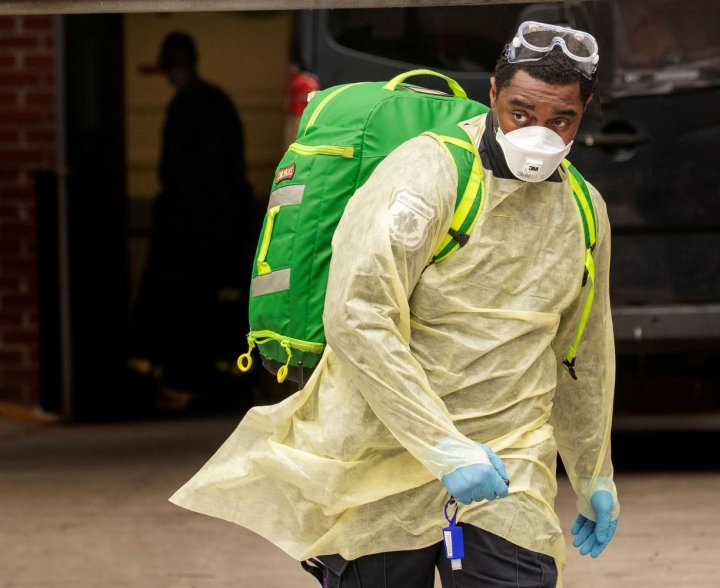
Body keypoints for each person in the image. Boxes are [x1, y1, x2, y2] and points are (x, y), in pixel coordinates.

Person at [170, 21, 619, 587]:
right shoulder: (426, 174)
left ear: (584, 115)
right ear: (492, 97)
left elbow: (583, 348)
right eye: (521, 113)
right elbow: (358, 318)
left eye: (562, 121)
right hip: (382, 450)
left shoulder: (582, 209)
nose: (540, 134)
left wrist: (593, 470)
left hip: (511, 461)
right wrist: (442, 445)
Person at [128, 32, 255, 409]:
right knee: (211, 313)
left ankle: (186, 385)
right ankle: (214, 387)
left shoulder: (189, 108)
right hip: (217, 230)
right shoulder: (217, 104)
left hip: (189, 233)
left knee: (183, 312)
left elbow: (176, 173)